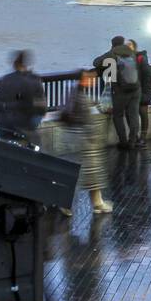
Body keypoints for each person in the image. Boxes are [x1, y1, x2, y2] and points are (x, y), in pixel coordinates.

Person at [58, 69, 113, 213]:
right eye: (90, 78)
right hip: (84, 142)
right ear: (83, 80)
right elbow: (86, 121)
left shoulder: (74, 93)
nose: (93, 81)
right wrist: (95, 138)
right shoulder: (80, 97)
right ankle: (68, 204)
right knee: (84, 175)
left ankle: (96, 202)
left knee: (89, 174)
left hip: (76, 140)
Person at [93, 35, 140, 149]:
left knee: (118, 115)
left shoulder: (112, 53)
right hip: (135, 89)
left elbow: (96, 62)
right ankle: (133, 141)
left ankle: (123, 142)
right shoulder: (131, 52)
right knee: (133, 115)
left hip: (121, 90)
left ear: (112, 44)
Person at [0, 50, 46, 145]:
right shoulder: (34, 80)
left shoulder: (6, 79)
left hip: (5, 124)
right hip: (25, 125)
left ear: (15, 64)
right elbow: (40, 107)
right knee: (31, 148)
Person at [128, 37, 151, 147]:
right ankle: (134, 137)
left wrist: (145, 93)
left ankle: (143, 137)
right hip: (130, 93)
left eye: (129, 45)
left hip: (142, 92)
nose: (127, 47)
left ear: (134, 47)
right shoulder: (124, 59)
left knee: (143, 114)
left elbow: (148, 76)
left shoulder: (140, 58)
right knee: (131, 115)